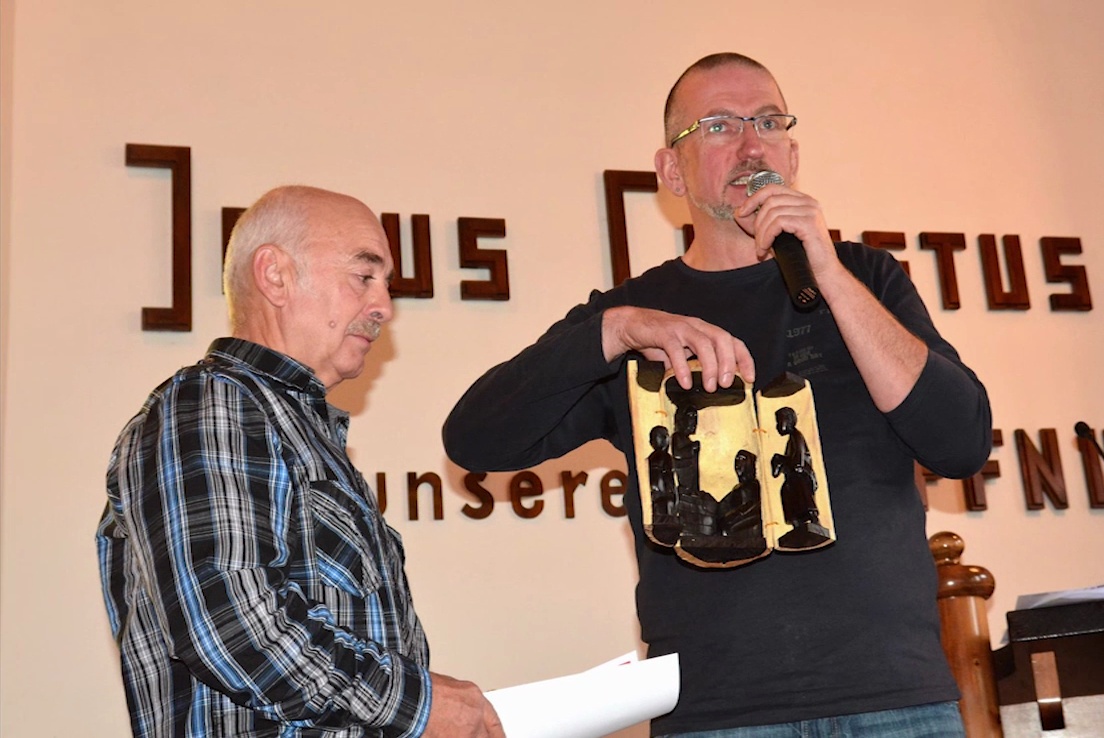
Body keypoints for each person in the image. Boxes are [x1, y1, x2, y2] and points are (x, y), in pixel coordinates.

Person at [444, 53, 992, 737]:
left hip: (893, 700)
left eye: (768, 122)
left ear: (793, 155)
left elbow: (960, 442)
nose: (751, 145)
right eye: (720, 126)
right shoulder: (634, 317)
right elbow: (476, 438)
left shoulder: (866, 279)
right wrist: (612, 331)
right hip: (716, 713)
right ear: (671, 172)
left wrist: (827, 270)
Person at [96, 185, 505, 738]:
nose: (384, 307)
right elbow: (233, 626)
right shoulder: (213, 403)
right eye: (364, 275)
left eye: (385, 284)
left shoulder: (296, 428)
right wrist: (418, 706)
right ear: (275, 276)